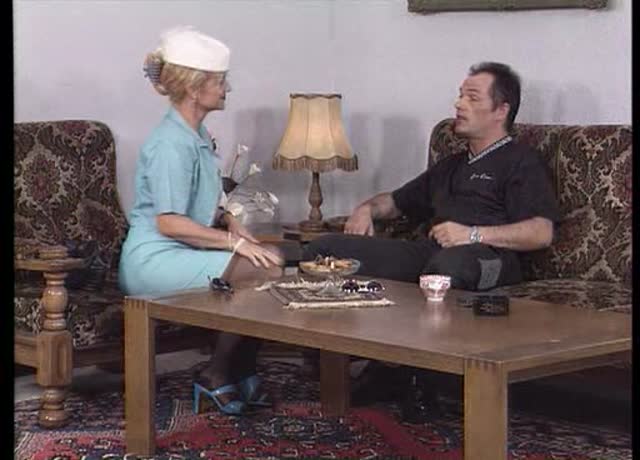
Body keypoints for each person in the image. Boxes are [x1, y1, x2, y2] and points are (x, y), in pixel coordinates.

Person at [303, 62, 561, 407]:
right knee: (324, 250)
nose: (458, 104)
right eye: (460, 95)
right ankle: (342, 362)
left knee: (443, 270)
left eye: (472, 97)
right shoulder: (451, 165)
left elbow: (541, 232)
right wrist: (365, 209)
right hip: (432, 251)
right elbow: (395, 202)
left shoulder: (520, 161)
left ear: (501, 110)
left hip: (490, 257)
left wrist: (472, 234)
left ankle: (416, 378)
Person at [119, 26, 284, 416]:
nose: (228, 89)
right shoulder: (171, 143)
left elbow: (196, 199)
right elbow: (169, 222)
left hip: (182, 249)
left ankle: (241, 370)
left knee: (271, 259)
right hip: (154, 259)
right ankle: (217, 372)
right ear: (195, 89)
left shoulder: (195, 134)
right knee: (265, 270)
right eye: (220, 81)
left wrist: (231, 222)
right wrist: (233, 243)